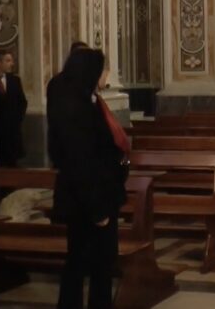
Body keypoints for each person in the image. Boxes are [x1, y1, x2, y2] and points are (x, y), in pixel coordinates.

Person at [48, 48, 129, 309]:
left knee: (86, 261)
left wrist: (121, 164)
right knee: (94, 263)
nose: (106, 75)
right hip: (91, 200)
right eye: (103, 70)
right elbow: (80, 163)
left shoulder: (83, 100)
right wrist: (98, 210)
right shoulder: (77, 109)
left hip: (91, 196)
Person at [0, 49, 27, 167]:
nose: (11, 64)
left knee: (12, 167)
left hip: (12, 133)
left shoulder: (15, 80)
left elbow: (22, 102)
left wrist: (17, 119)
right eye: (8, 61)